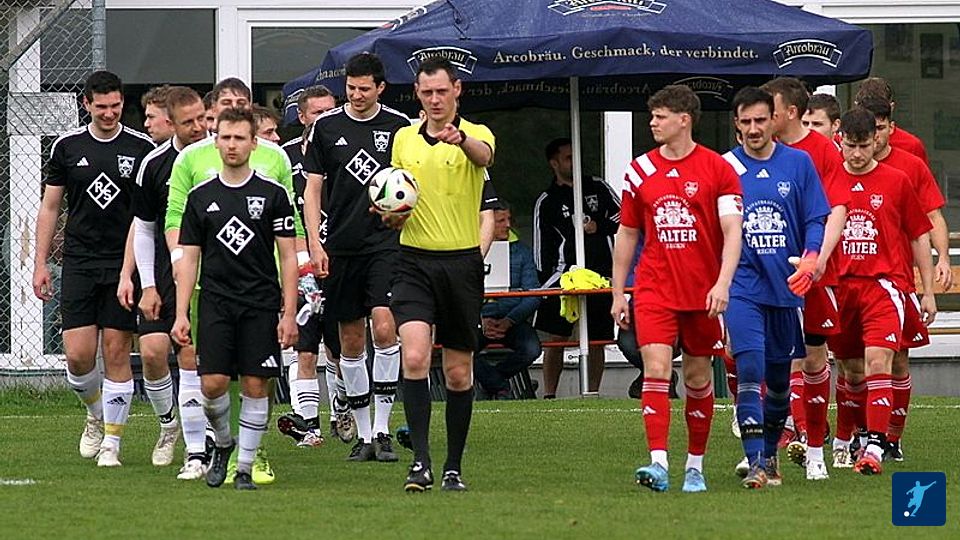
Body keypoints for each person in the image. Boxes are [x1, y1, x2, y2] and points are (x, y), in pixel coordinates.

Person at [165, 76, 304, 485]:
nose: (231, 145)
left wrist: (289, 312)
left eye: (240, 138)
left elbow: (288, 255)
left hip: (260, 300)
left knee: (257, 384)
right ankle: (224, 443)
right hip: (215, 301)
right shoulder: (200, 197)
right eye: (224, 137)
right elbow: (189, 257)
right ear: (216, 140)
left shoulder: (274, 193)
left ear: (253, 143)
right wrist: (181, 313)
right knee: (212, 385)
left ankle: (244, 467)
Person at [611, 85, 743, 493]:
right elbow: (627, 233)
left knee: (699, 377)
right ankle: (658, 462)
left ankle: (695, 467)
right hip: (654, 288)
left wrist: (723, 283)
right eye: (652, 115)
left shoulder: (718, 169)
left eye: (660, 116)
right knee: (656, 369)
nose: (653, 122)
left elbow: (732, 230)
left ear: (684, 120)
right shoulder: (639, 170)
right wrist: (619, 291)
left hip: (703, 292)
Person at [32, 70, 155, 467]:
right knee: (78, 356)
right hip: (79, 262)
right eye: (101, 106)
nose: (109, 113)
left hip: (122, 263)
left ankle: (112, 444)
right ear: (86, 104)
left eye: (115, 106)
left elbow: (145, 215)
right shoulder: (67, 147)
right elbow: (51, 207)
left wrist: (134, 269)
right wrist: (40, 263)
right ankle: (94, 413)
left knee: (116, 351)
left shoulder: (141, 148)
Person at [388, 56, 495, 492]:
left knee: (457, 373)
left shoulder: (476, 134)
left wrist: (461, 139)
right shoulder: (403, 139)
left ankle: (453, 467)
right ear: (417, 93)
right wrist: (390, 214)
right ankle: (421, 462)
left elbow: (484, 155)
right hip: (413, 261)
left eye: (441, 91)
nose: (434, 99)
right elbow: (397, 194)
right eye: (427, 92)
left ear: (457, 91)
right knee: (414, 357)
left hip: (461, 264)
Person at [302, 53, 411, 462]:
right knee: (350, 339)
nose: (357, 95)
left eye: (365, 88)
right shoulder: (326, 127)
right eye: (351, 88)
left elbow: (410, 184)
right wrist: (315, 243)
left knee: (384, 326)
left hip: (386, 243)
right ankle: (363, 435)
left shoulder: (399, 127)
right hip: (341, 245)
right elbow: (312, 189)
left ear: (381, 88)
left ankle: (382, 429)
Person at [722, 87, 830, 488]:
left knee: (781, 382)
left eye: (760, 120)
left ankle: (769, 454)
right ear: (736, 125)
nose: (753, 129)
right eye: (745, 122)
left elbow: (816, 218)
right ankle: (755, 463)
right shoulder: (725, 167)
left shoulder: (798, 163)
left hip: (786, 287)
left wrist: (812, 256)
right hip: (743, 286)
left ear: (774, 121)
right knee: (750, 368)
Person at [828, 107, 935, 476]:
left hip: (884, 287)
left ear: (876, 141)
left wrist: (927, 290)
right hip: (840, 288)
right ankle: (859, 435)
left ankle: (879, 443)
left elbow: (918, 235)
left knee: (880, 361)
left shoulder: (896, 181)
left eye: (864, 145)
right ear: (840, 142)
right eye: (851, 146)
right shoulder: (827, 181)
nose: (857, 154)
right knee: (851, 370)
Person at [856, 95, 952, 462]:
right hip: (851, 282)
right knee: (854, 363)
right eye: (869, 130)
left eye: (880, 129)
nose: (875, 136)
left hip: (895, 281)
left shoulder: (908, 166)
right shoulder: (839, 168)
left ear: (889, 128)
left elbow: (930, 220)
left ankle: (889, 438)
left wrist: (941, 262)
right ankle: (858, 434)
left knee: (895, 359)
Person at [761, 77, 848, 467]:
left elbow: (837, 208)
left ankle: (813, 432)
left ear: (790, 112)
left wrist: (821, 257)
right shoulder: (763, 150)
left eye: (771, 110)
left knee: (814, 357)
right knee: (781, 354)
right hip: (773, 269)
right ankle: (792, 430)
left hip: (817, 271)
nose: (763, 118)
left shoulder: (823, 152)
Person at [132, 86, 210, 478]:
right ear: (171, 123)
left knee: (192, 356)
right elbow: (144, 228)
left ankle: (200, 446)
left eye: (202, 118)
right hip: (165, 271)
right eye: (188, 122)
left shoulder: (219, 155)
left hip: (209, 270)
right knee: (151, 352)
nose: (198, 127)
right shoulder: (154, 164)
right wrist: (147, 284)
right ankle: (168, 425)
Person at [277, 84, 341, 448]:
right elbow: (285, 215)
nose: (325, 119)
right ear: (301, 117)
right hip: (302, 262)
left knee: (340, 346)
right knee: (304, 346)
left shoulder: (345, 148)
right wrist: (302, 263)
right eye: (317, 112)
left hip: (342, 259)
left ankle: (342, 408)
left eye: (330, 111)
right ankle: (309, 425)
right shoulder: (285, 158)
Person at [533, 137, 620, 397]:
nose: (575, 162)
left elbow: (625, 216)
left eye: (577, 156)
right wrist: (546, 279)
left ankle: (592, 393)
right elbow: (541, 245)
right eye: (568, 158)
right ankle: (549, 394)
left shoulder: (598, 187)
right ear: (554, 163)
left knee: (596, 340)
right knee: (556, 339)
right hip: (565, 276)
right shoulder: (547, 200)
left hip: (601, 276)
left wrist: (599, 226)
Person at [475, 203, 542, 399]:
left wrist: (509, 321)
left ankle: (493, 383)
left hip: (513, 321)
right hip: (477, 321)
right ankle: (500, 386)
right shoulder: (469, 252)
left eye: (509, 219)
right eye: (500, 221)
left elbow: (533, 293)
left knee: (532, 349)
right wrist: (480, 321)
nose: (508, 225)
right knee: (459, 348)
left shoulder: (522, 252)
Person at [854, 77, 928, 163]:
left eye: (881, 108)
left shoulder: (912, 146)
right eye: (867, 111)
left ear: (891, 107)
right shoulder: (845, 143)